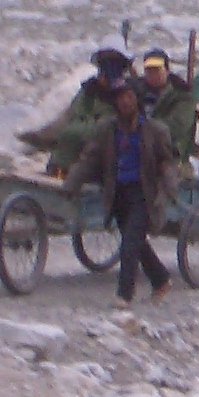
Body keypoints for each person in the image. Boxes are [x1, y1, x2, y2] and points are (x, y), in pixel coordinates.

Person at [65, 80, 177, 305]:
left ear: (138, 100)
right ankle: (161, 279)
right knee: (135, 241)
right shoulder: (107, 129)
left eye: (129, 96)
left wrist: (170, 188)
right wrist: (71, 184)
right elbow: (90, 158)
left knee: (129, 245)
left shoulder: (156, 131)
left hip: (144, 194)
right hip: (117, 194)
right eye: (120, 98)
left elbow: (167, 162)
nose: (124, 102)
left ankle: (124, 295)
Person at [24, 42, 136, 176]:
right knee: (70, 135)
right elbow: (72, 116)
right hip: (77, 153)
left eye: (114, 67)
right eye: (104, 67)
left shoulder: (129, 93)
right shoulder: (89, 91)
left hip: (111, 155)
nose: (108, 73)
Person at [141, 48, 199, 163]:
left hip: (171, 152)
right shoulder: (136, 91)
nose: (153, 75)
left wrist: (143, 133)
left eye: (157, 70)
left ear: (167, 70)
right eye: (149, 71)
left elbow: (177, 126)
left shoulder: (183, 95)